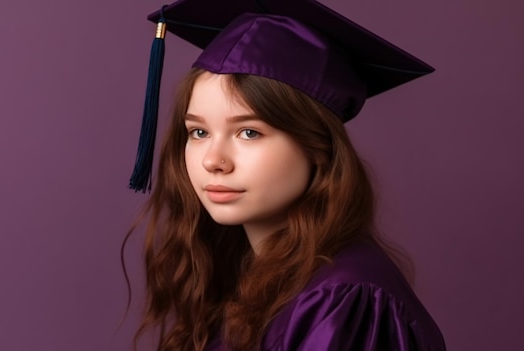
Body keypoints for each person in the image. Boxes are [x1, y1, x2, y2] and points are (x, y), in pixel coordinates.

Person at [125, 0, 447, 350]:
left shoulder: (344, 299)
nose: (213, 161)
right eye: (198, 133)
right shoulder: (249, 277)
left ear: (317, 147)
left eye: (249, 132)